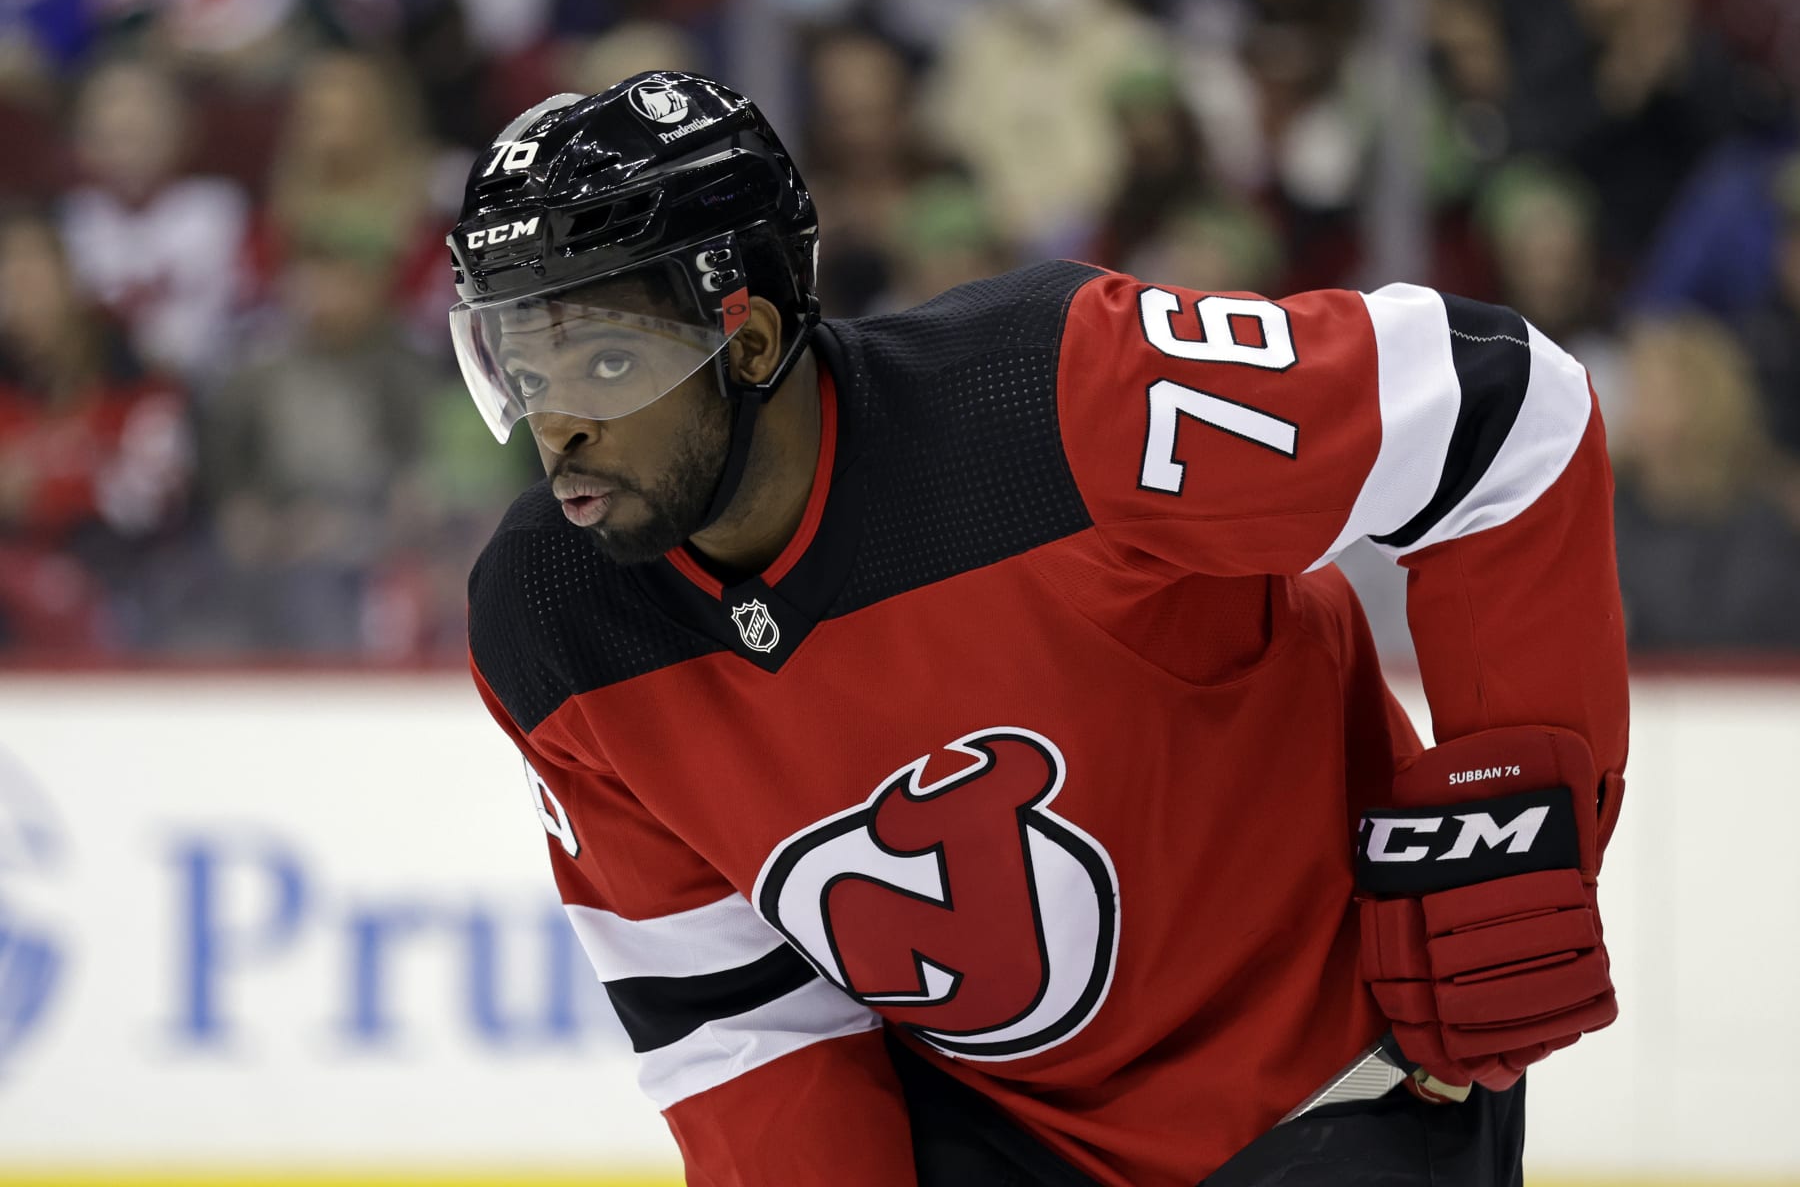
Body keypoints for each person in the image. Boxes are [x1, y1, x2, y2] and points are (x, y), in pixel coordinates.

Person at [452, 72, 1628, 1187]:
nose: (558, 427)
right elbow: (743, 1023)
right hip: (1006, 1131)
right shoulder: (553, 619)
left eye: (607, 361)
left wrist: (1515, 826)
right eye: (524, 367)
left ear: (751, 342)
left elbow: (1504, 409)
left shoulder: (1057, 399)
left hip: (1333, 1079)